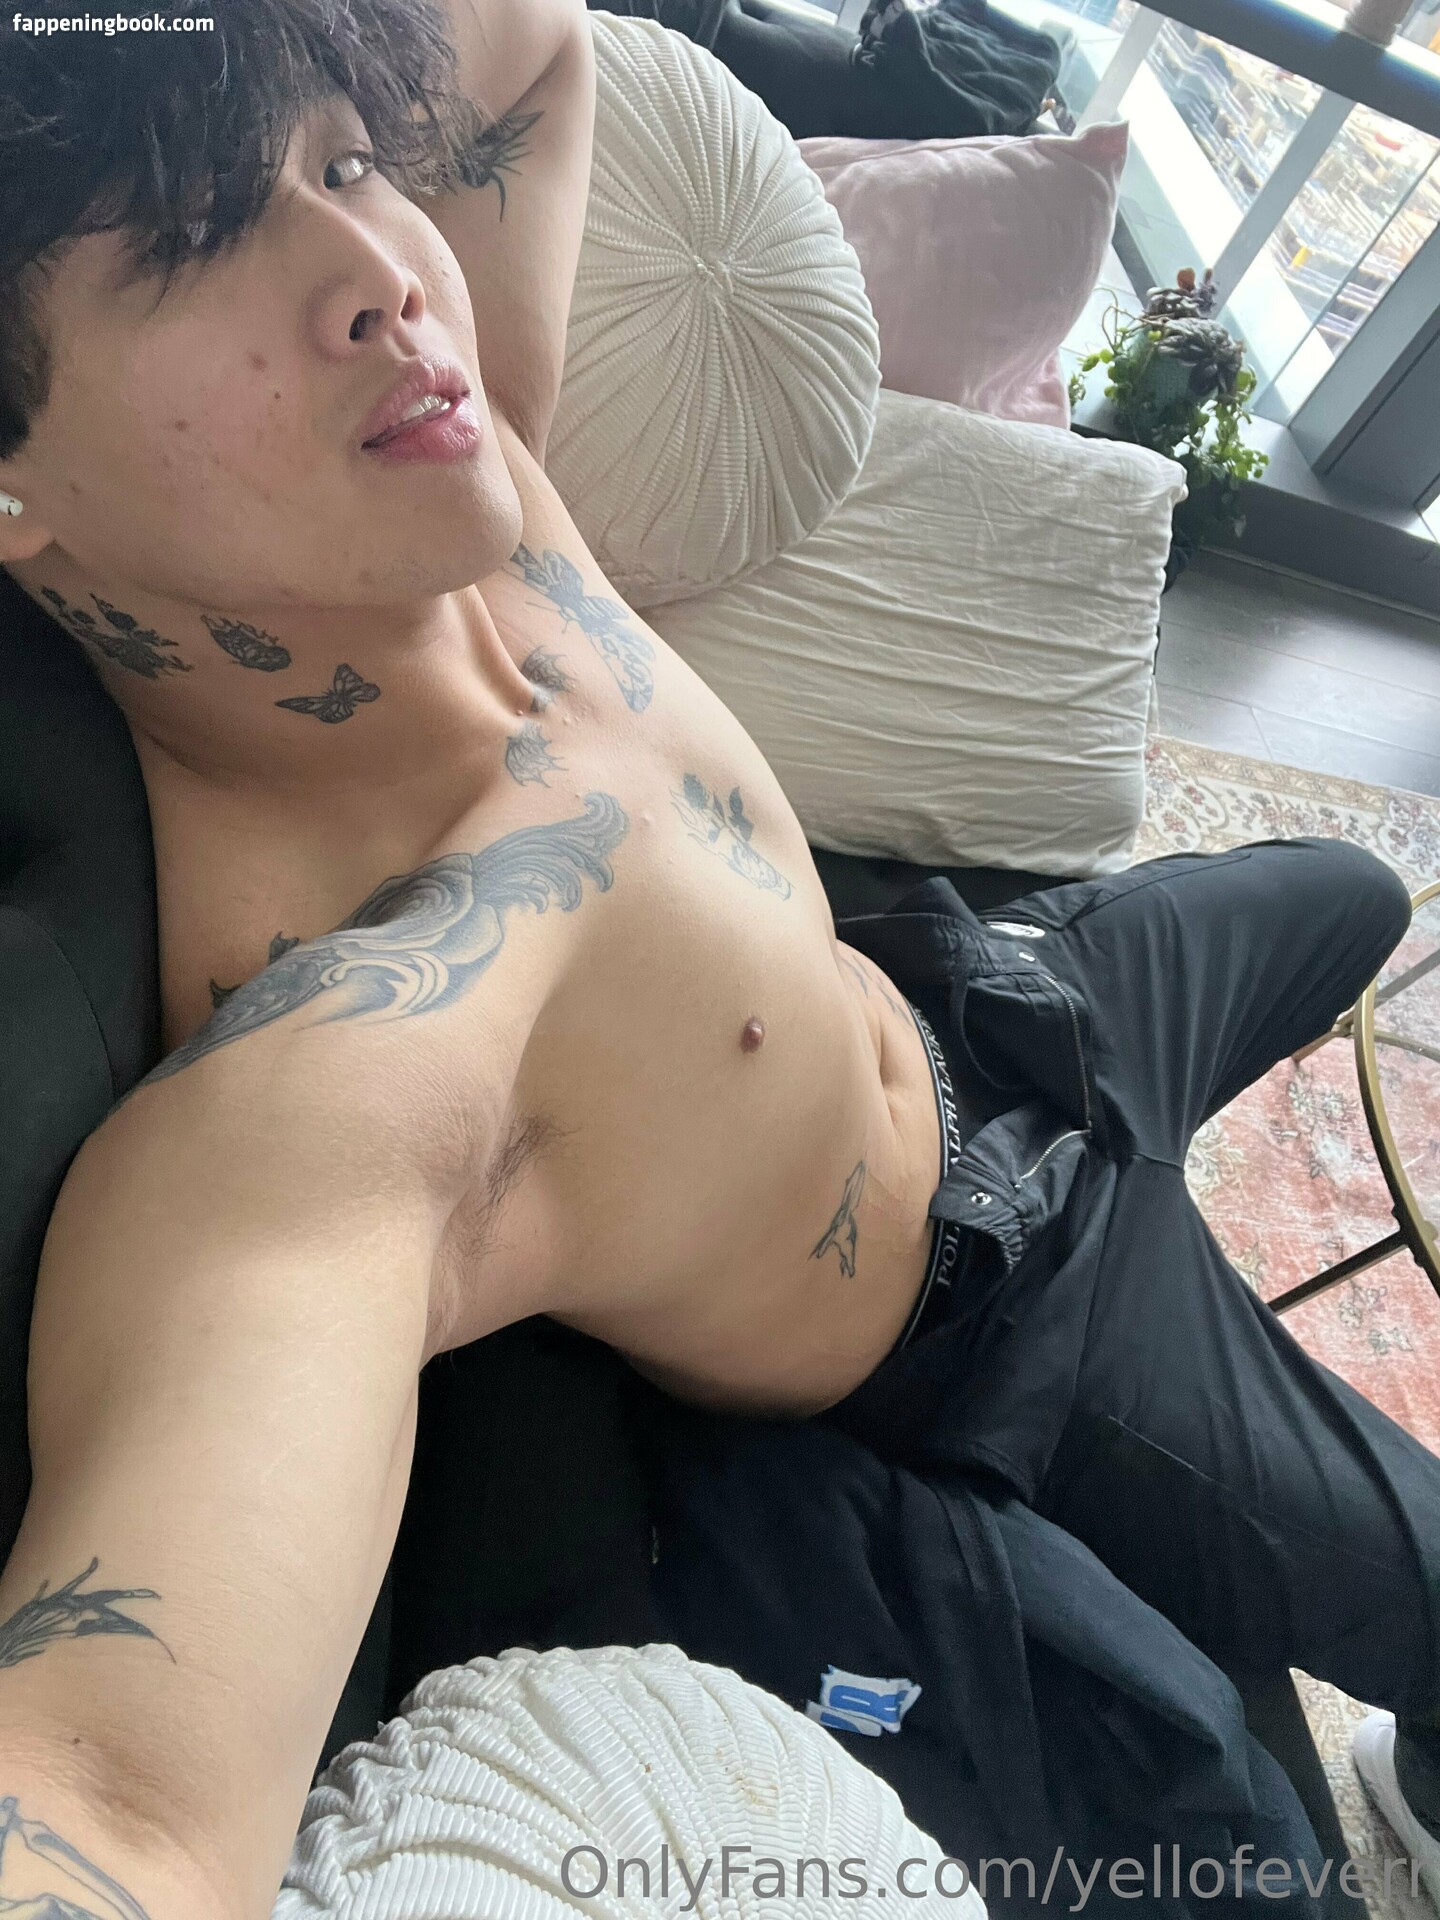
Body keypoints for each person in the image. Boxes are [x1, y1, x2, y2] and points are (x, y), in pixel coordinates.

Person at [0, 2, 1435, 1914]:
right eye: (195, 240)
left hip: (986, 997)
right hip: (1013, 1316)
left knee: (1357, 888)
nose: (377, 270)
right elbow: (117, 1799)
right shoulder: (353, 1048)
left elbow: (526, 48)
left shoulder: (459, 466)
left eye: (343, 161)